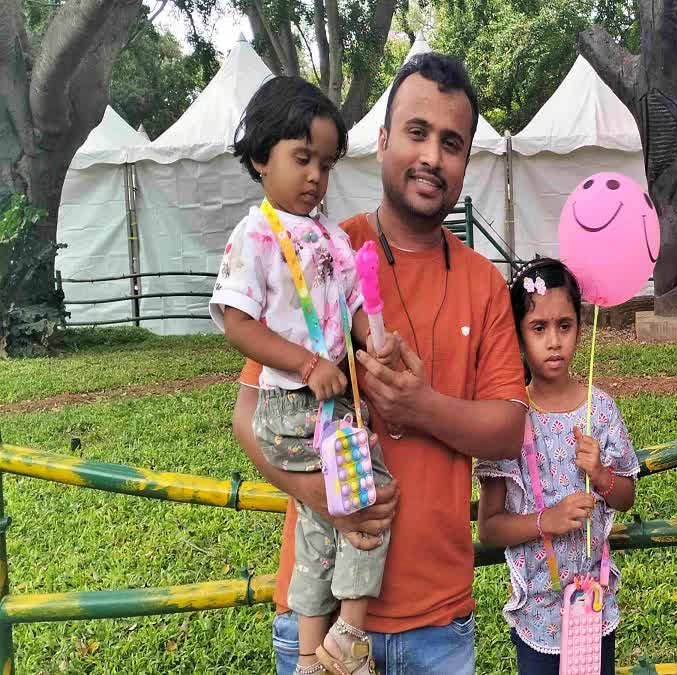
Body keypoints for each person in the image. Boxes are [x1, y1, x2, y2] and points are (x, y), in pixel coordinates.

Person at [232, 53, 528, 674]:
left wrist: (422, 408)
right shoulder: (315, 251)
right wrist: (321, 494)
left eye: (451, 143)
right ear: (384, 139)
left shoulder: (483, 283)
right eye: (417, 133)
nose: (431, 157)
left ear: (467, 161)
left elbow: (507, 428)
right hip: (316, 620)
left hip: (437, 624)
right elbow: (249, 417)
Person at [211, 76, 400, 675]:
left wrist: (378, 337)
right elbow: (237, 322)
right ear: (261, 158)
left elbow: (354, 308)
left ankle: (312, 656)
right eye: (302, 158)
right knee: (371, 490)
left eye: (327, 162)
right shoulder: (256, 234)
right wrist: (306, 364)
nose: (316, 176)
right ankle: (349, 635)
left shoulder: (328, 237)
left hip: (326, 407)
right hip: (290, 408)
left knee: (323, 522)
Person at [475, 258, 639, 675]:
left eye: (564, 326)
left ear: (580, 330)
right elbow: (490, 528)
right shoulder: (509, 419)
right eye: (538, 328)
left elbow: (626, 497)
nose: (553, 341)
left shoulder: (599, 410)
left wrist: (602, 476)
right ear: (518, 334)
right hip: (538, 618)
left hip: (594, 607)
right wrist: (546, 520)